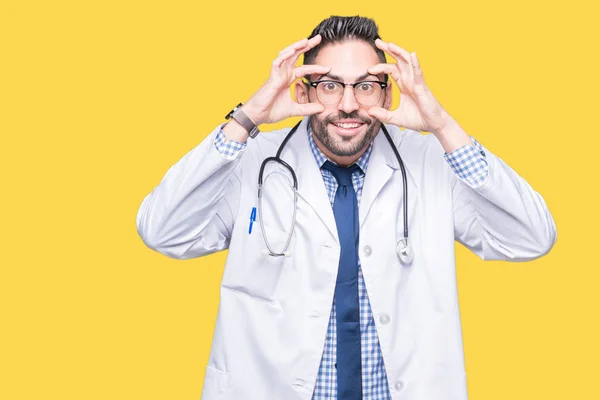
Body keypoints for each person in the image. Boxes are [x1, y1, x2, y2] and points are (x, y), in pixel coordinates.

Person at [136, 15, 557, 400]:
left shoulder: (431, 163)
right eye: (330, 85)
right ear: (303, 90)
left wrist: (444, 126)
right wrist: (245, 120)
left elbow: (531, 237)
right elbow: (162, 229)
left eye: (366, 85)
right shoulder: (252, 162)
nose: (349, 104)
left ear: (387, 93)